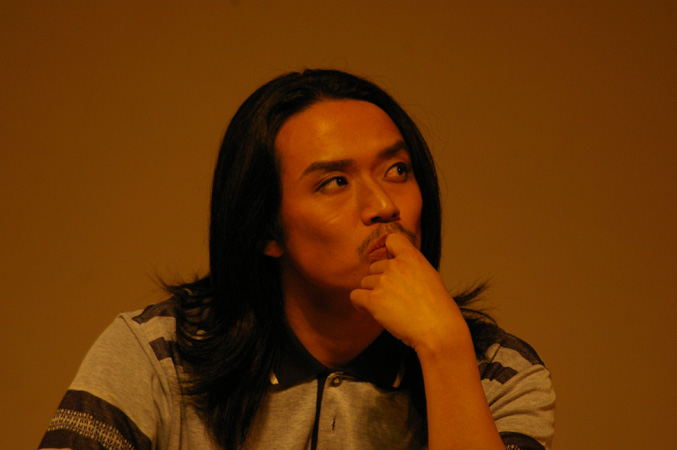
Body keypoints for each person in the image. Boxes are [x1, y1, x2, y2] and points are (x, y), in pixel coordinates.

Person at [39, 69, 555, 450]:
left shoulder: (496, 370)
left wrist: (444, 352)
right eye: (335, 182)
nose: (383, 205)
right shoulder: (159, 355)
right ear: (267, 230)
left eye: (397, 170)